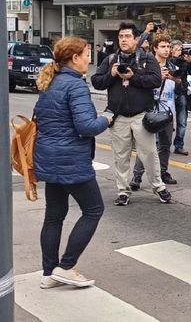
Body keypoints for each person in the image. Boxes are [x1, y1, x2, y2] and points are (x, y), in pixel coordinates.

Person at [34, 37, 113, 288]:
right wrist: (106, 119)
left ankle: (49, 273)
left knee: (54, 216)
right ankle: (66, 266)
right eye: (87, 54)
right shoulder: (75, 86)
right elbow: (86, 126)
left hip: (49, 158)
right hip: (72, 160)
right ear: (75, 58)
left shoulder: (50, 81)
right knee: (94, 210)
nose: (89, 60)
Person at [91, 22, 172, 206]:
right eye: (121, 37)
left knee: (149, 153)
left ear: (136, 39)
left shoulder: (146, 57)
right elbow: (96, 81)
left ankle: (158, 187)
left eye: (127, 36)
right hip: (118, 116)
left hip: (141, 115)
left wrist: (132, 77)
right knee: (121, 157)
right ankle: (123, 191)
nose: (124, 40)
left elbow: (156, 80)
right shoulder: (111, 59)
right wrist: (111, 75)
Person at [131, 34, 181, 188]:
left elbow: (180, 89)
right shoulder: (148, 67)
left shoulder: (173, 67)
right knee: (146, 146)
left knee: (165, 145)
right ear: (155, 48)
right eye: (163, 47)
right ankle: (137, 176)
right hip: (150, 111)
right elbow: (142, 85)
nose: (166, 50)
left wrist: (176, 80)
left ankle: (163, 172)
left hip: (167, 111)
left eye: (168, 47)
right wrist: (159, 76)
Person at [171, 40, 191, 155]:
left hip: (181, 92)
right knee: (165, 120)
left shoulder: (185, 60)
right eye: (177, 49)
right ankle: (161, 144)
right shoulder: (168, 59)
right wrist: (174, 58)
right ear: (171, 49)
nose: (180, 51)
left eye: (180, 49)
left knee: (182, 121)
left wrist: (190, 62)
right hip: (168, 92)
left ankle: (179, 145)